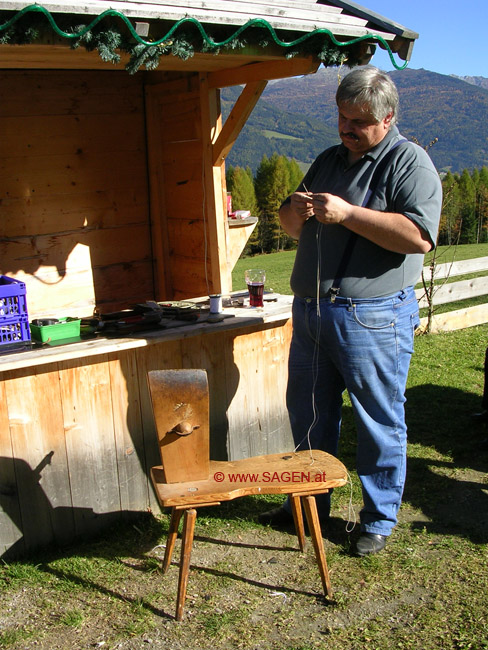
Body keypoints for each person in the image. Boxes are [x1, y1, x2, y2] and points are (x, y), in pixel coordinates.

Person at [258, 66, 442, 556]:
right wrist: (293, 211)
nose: (346, 128)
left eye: (358, 121)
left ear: (386, 118)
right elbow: (291, 228)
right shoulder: (328, 159)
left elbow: (419, 237)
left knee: (378, 420)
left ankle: (378, 520)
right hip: (313, 312)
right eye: (342, 117)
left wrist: (349, 214)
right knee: (310, 416)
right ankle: (309, 507)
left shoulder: (411, 162)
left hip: (373, 316)